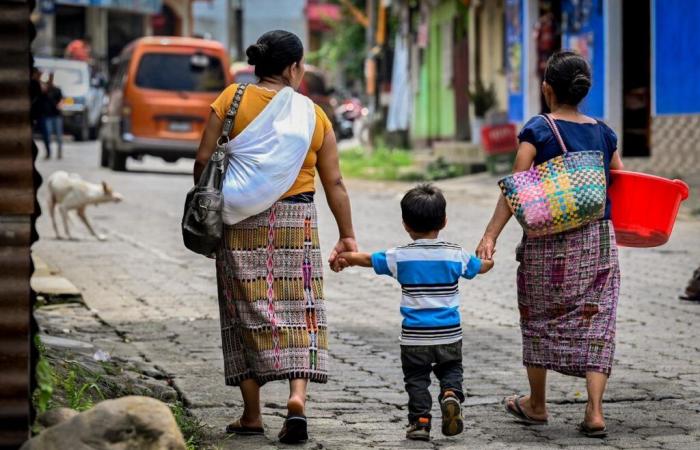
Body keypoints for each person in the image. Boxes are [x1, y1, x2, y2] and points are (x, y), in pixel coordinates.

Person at [194, 30, 357, 444]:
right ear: (292, 68)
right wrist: (347, 236)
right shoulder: (312, 114)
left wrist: (211, 209)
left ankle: (252, 415)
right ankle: (296, 399)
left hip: (238, 221)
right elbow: (334, 182)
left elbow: (202, 160)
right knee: (301, 308)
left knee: (242, 312)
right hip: (296, 221)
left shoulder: (231, 99)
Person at [476, 51, 624, 437]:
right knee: (598, 319)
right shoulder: (604, 133)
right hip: (597, 240)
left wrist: (491, 234)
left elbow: (516, 189)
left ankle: (537, 405)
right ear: (583, 90)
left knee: (539, 316)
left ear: (547, 89)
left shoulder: (538, 130)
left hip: (548, 242)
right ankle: (594, 411)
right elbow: (621, 182)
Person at [336, 184, 493, 441]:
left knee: (417, 379)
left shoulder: (400, 256)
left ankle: (420, 422)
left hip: (414, 337)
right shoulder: (455, 254)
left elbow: (368, 259)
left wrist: (348, 257)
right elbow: (481, 267)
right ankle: (451, 394)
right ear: (444, 221)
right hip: (449, 334)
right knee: (451, 369)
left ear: (405, 224)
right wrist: (489, 258)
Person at [39, 72, 64, 160]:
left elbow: (61, 100)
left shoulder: (57, 90)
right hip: (46, 115)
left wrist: (60, 105)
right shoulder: (44, 91)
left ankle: (59, 153)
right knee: (47, 135)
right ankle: (48, 153)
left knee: (58, 135)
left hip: (56, 115)